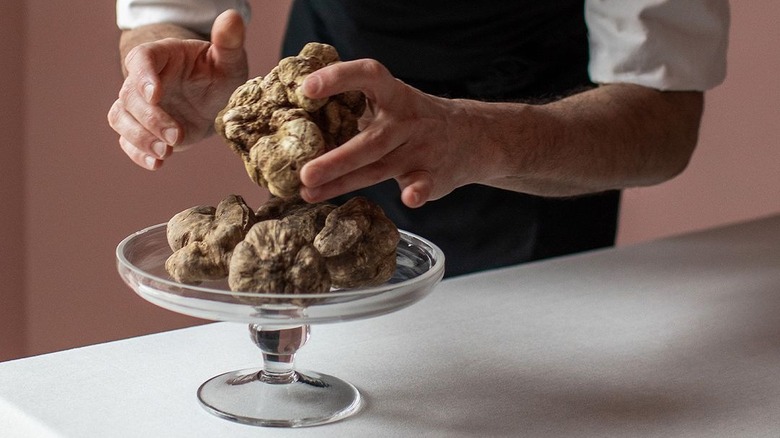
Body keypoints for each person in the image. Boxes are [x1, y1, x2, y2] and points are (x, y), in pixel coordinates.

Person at [108, 0, 729, 277]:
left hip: (534, 161)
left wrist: (478, 137)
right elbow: (172, 14)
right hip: (327, 126)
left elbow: (664, 116)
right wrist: (164, 64)